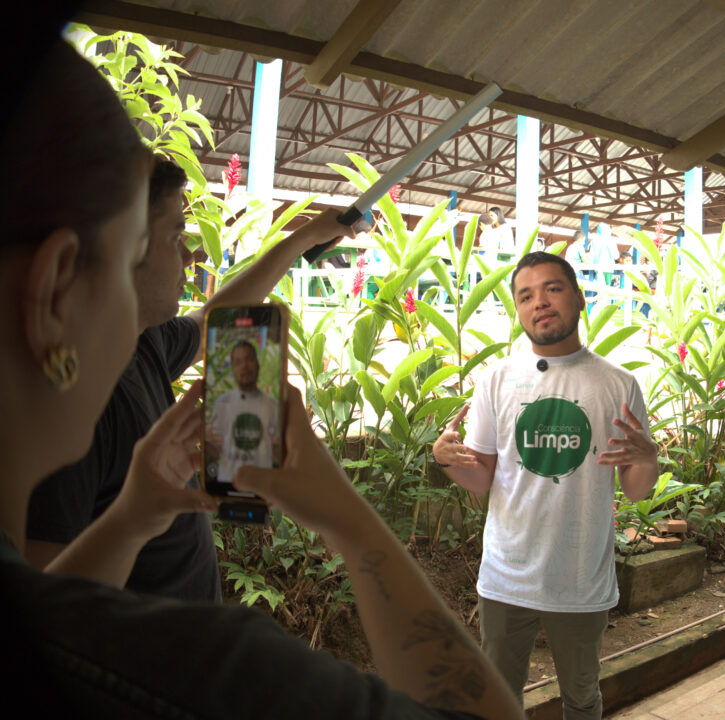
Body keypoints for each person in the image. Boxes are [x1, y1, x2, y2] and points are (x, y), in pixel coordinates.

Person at [0, 36, 522, 720]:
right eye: (147, 248)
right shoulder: (213, 673)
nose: (190, 259)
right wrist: (351, 522)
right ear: (55, 292)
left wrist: (129, 520)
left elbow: (60, 609)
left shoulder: (145, 354)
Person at [23, 152, 350, 602]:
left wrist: (306, 237)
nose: (188, 256)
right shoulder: (72, 409)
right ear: (123, 249)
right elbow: (46, 609)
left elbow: (212, 318)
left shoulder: (141, 341)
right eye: (176, 235)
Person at [431, 252, 660, 719]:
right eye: (526, 295)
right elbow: (482, 478)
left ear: (578, 297)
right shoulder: (497, 380)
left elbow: (636, 489)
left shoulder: (618, 384)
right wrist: (446, 461)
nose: (539, 302)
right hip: (506, 576)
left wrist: (647, 458)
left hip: (579, 578)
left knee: (581, 698)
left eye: (552, 289)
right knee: (497, 700)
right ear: (518, 310)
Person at [206, 341, 281, 483]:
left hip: (262, 486)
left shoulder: (273, 406)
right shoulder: (222, 402)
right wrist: (207, 441)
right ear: (232, 369)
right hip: (227, 483)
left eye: (249, 359)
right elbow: (215, 451)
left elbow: (278, 455)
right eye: (238, 362)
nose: (244, 366)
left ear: (257, 364)